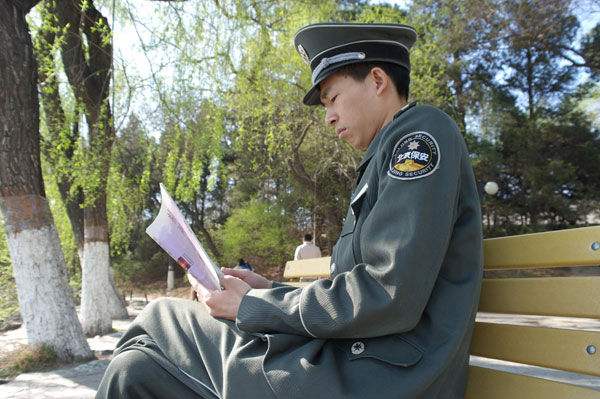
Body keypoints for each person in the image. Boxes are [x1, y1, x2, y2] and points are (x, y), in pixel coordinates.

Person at [96, 22, 483, 399]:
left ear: (378, 81)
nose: (328, 116)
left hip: (384, 378)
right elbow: (359, 289)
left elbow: (386, 292)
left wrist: (253, 306)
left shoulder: (419, 135)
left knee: (163, 317)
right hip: (357, 361)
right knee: (135, 370)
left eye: (332, 98)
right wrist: (271, 290)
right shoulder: (383, 154)